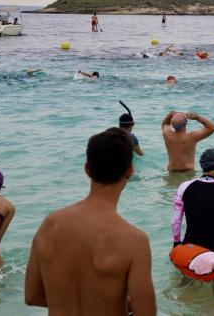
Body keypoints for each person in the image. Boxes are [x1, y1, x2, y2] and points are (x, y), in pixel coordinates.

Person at [25, 128, 156, 314]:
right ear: (130, 171)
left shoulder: (50, 224)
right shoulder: (134, 240)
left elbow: (32, 296)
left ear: (87, 169)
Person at [172, 149, 214, 266]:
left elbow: (175, 221)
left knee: (185, 277)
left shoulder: (184, 187)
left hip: (190, 248)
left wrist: (176, 243)